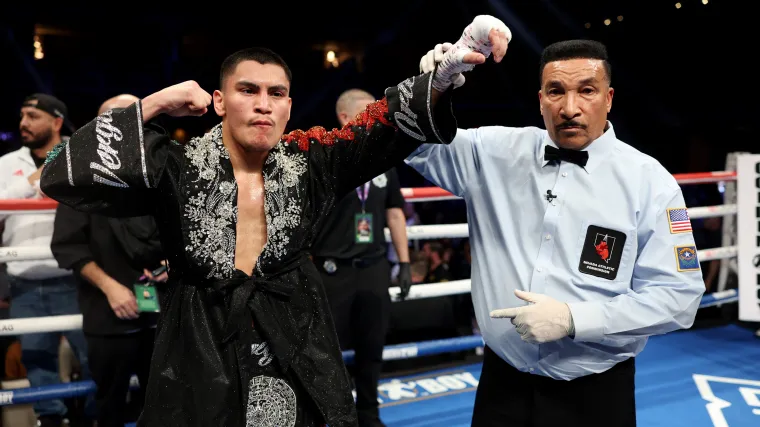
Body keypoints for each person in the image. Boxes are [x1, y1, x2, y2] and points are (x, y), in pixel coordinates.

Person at [39, 17, 509, 427]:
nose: (263, 104)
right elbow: (60, 174)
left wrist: (444, 77)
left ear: (288, 105)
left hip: (288, 331)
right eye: (248, 90)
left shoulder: (310, 159)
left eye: (276, 93)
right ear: (220, 101)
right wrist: (156, 103)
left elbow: (377, 126)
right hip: (197, 336)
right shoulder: (175, 165)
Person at [412, 39, 705, 426]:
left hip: (596, 392)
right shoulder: (495, 152)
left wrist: (574, 319)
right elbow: (413, 146)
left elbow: (679, 297)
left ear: (609, 97)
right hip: (502, 383)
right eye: (556, 92)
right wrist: (431, 86)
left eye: (586, 90)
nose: (570, 108)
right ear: (540, 99)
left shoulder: (650, 182)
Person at [49, 94, 169, 427]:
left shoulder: (158, 176)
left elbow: (184, 235)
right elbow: (67, 247)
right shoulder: (81, 180)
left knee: (162, 403)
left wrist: (171, 265)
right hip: (108, 318)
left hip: (162, 314)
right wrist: (111, 288)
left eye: (134, 117)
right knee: (110, 407)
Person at [310, 88, 412, 427]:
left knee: (372, 348)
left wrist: (405, 262)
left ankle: (369, 415)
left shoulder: (384, 156)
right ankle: (331, 417)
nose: (380, 118)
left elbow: (395, 212)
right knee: (325, 352)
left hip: (373, 268)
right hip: (330, 272)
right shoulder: (325, 155)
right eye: (372, 111)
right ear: (345, 117)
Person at [0, 93, 90, 427]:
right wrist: (31, 182)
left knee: (93, 354)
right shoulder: (6, 164)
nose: (23, 123)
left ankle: (96, 417)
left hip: (76, 275)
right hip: (24, 280)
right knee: (37, 360)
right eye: (22, 115)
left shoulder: (81, 154)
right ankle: (51, 421)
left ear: (55, 121)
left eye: (33, 116)